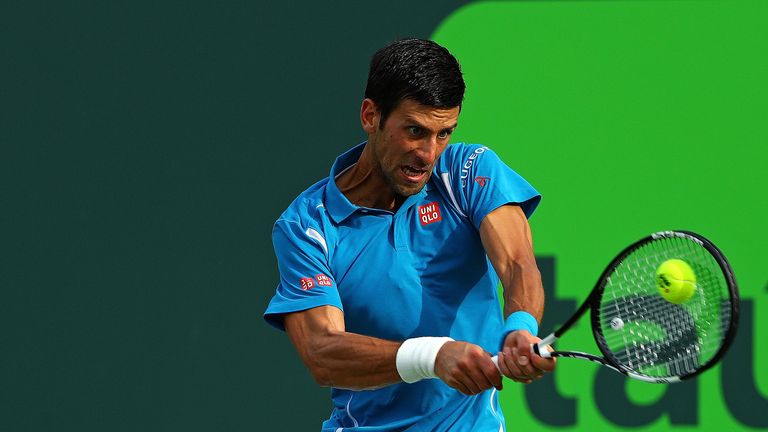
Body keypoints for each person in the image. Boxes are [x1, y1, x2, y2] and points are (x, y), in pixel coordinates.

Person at [264, 38, 555, 431]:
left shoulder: (466, 172)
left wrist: (520, 327)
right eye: (415, 131)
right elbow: (322, 352)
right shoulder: (307, 226)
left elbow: (518, 264)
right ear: (371, 116)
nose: (428, 154)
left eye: (443, 133)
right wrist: (433, 355)